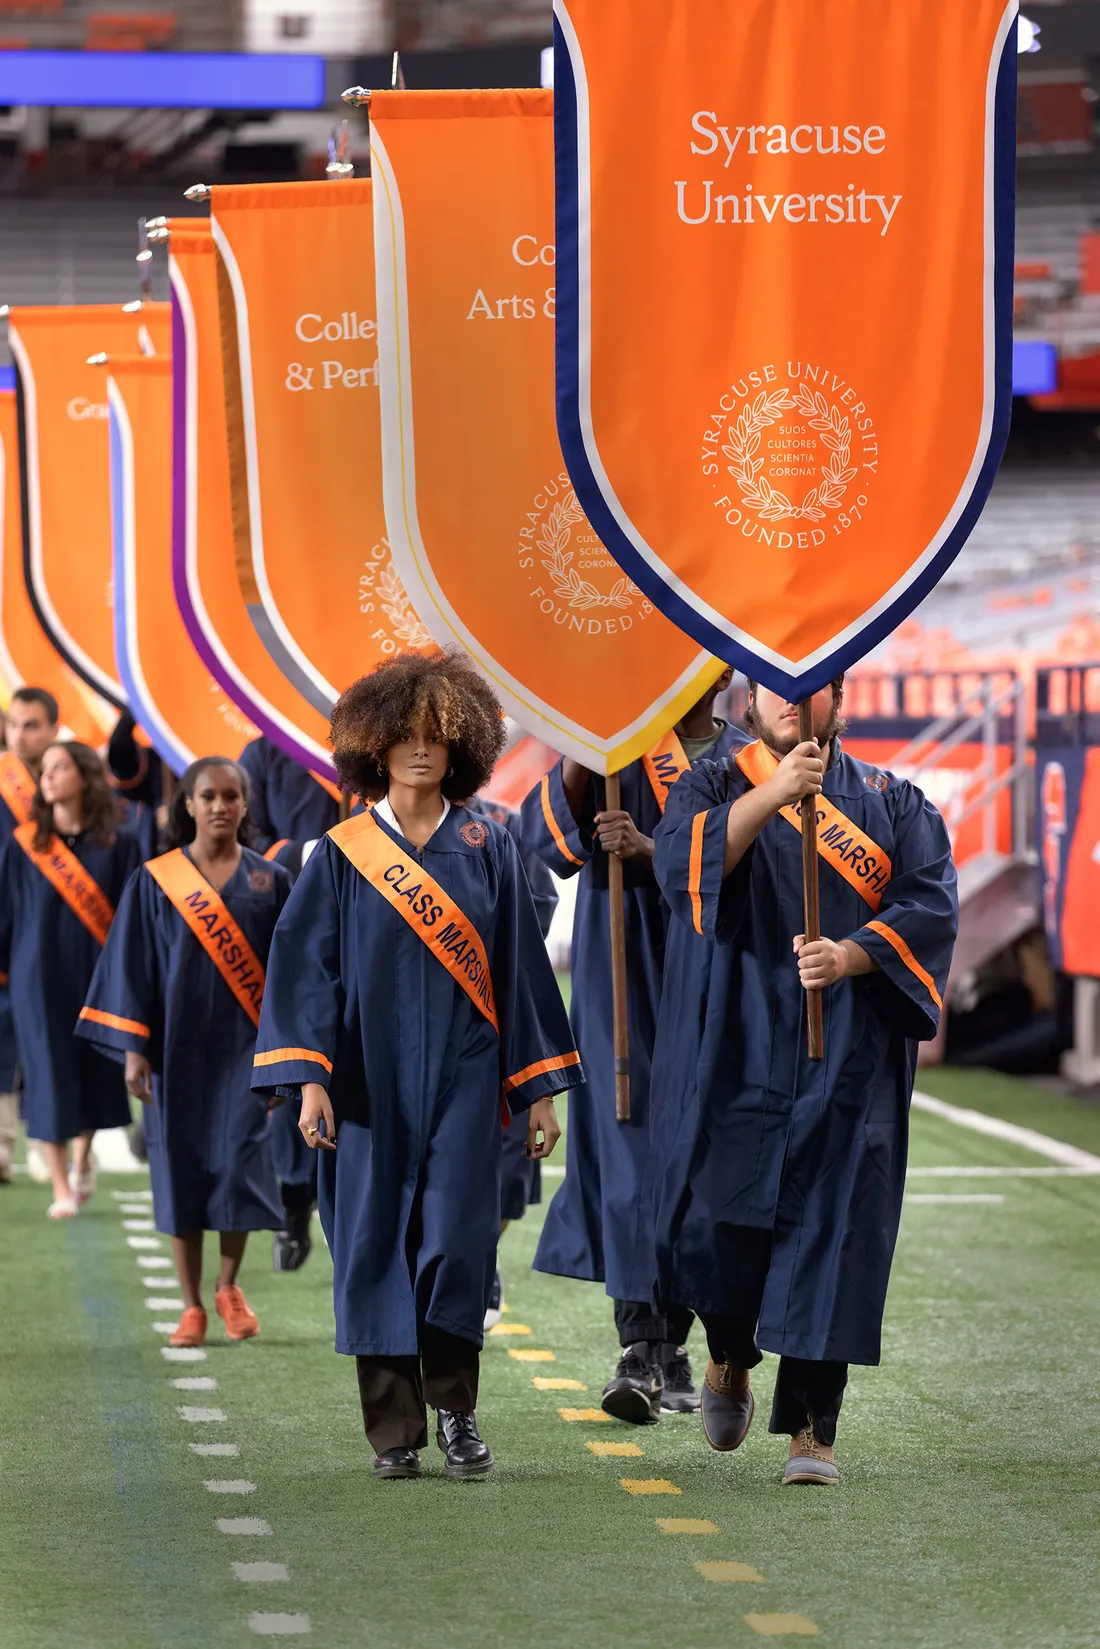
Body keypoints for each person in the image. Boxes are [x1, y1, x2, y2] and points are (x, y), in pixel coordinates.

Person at [252, 652, 583, 1481]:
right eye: (405, 734)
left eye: (439, 735)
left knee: (454, 1245)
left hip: (468, 1084)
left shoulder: (489, 846)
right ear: (375, 745)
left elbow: (520, 971)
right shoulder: (338, 854)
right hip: (366, 1082)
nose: (422, 749)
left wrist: (539, 1091)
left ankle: (458, 1411)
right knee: (373, 1246)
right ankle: (393, 1431)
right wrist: (313, 1079)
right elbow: (306, 972)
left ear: (463, 744)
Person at [649, 677, 958, 1486]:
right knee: (715, 1223)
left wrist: (854, 954)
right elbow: (677, 868)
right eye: (775, 686)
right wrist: (777, 792)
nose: (793, 699)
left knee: (838, 1234)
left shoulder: (895, 803)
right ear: (746, 701)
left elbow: (930, 905)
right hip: (734, 1042)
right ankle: (727, 1353)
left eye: (813, 684)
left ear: (841, 696)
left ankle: (813, 1429)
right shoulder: (713, 782)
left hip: (848, 1054)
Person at [521, 668, 742, 1422]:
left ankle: (675, 1346)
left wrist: (651, 849)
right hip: (619, 967)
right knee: (623, 1150)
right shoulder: (615, 755)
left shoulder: (746, 761)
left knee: (694, 1158)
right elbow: (539, 844)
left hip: (707, 971)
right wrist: (587, 740)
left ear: (724, 674)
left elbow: (754, 874)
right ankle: (640, 1345)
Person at [78, 758, 289, 1345]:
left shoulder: (269, 882)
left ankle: (228, 1286)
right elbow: (133, 968)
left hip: (246, 1052)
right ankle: (192, 1305)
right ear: (188, 806)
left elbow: (292, 973)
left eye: (230, 795)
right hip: (173, 1049)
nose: (220, 805)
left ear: (245, 805)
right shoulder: (155, 880)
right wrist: (133, 1050)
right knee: (178, 1168)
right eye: (208, 796)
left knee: (241, 1164)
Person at [0, 740, 140, 1215]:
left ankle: (83, 1158)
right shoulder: (25, 844)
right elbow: (5, 914)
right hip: (37, 980)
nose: (49, 777)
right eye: (45, 770)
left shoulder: (119, 843)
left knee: (96, 1073)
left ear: (84, 776)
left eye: (60, 768)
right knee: (46, 1074)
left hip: (100, 978)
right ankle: (62, 1188)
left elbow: (131, 913)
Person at [237, 735, 340, 1272]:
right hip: (289, 914)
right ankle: (295, 1201)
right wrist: (301, 855)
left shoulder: (376, 738)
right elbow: (244, 834)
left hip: (367, 912)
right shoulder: (268, 747)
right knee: (297, 1072)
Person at [470, 795, 559, 1327]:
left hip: (500, 1011)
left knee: (508, 1162)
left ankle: (483, 1255)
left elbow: (538, 905)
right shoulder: (379, 828)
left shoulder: (504, 826)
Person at [0, 689, 60, 1185]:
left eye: (31, 725)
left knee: (47, 1042)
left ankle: (50, 1142)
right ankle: (3, 1147)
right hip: (6, 922)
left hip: (52, 930)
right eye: (14, 724)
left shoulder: (70, 778)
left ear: (53, 729)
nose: (20, 735)